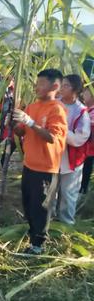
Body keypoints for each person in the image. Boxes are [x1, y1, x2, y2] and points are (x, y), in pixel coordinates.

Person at [13, 69, 67, 254]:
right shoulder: (32, 107)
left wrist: (29, 122)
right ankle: (33, 236)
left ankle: (38, 245)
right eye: (37, 83)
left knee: (41, 207)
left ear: (55, 86)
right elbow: (22, 131)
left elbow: (52, 137)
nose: (37, 87)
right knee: (28, 204)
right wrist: (14, 125)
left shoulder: (57, 109)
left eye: (41, 84)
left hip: (46, 168)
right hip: (29, 165)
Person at [55, 74, 90, 224]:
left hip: (71, 159)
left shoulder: (81, 111)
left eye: (66, 85)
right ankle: (46, 221)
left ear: (75, 89)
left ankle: (66, 224)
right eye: (61, 85)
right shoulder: (54, 104)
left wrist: (61, 131)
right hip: (52, 156)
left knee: (68, 193)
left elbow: (80, 138)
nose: (62, 88)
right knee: (49, 192)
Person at [80, 85, 94, 194]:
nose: (83, 95)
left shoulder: (92, 111)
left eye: (86, 93)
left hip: (89, 149)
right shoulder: (86, 109)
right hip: (83, 148)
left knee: (86, 169)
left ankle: (82, 190)